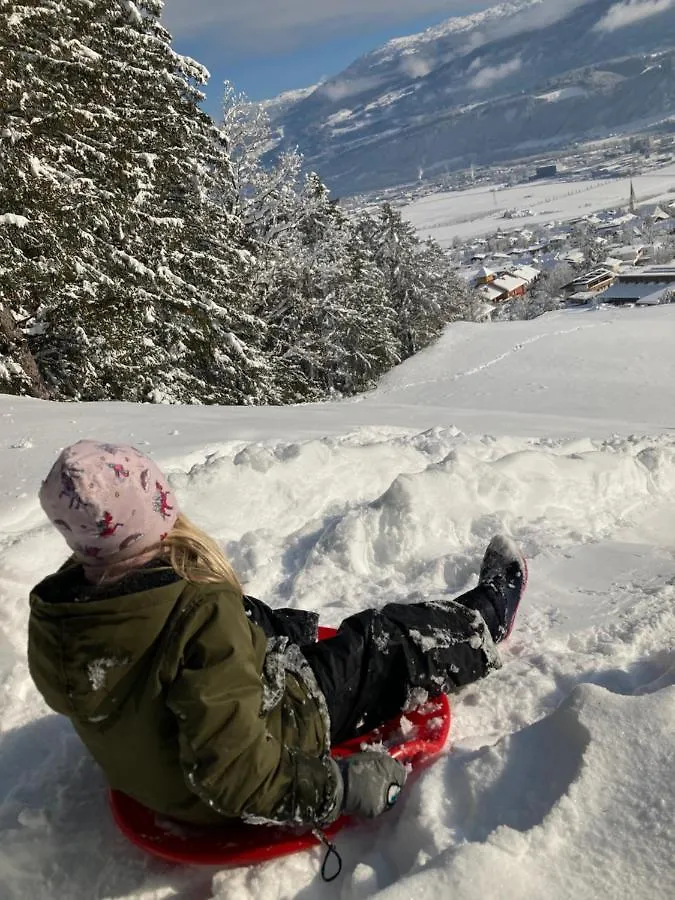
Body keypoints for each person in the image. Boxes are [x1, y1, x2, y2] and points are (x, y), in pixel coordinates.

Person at [28, 440, 526, 835]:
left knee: (245, 614)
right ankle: (484, 622)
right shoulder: (198, 610)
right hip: (271, 738)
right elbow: (235, 775)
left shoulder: (64, 613)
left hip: (156, 776)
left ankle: (293, 635)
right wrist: (340, 787)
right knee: (386, 637)